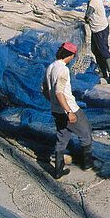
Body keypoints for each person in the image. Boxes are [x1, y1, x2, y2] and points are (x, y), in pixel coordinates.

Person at [45, 42, 92, 179]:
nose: (73, 59)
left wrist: (54, 103)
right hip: (69, 109)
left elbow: (44, 90)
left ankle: (58, 170)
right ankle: (87, 164)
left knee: (62, 137)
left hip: (56, 110)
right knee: (86, 133)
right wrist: (69, 111)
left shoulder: (50, 67)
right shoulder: (63, 70)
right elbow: (60, 93)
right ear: (70, 55)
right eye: (73, 56)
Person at [82, 0, 110, 83]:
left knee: (103, 51)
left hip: (100, 29)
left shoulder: (93, 1)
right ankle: (102, 71)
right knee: (95, 50)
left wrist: (86, 19)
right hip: (96, 29)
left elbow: (87, 15)